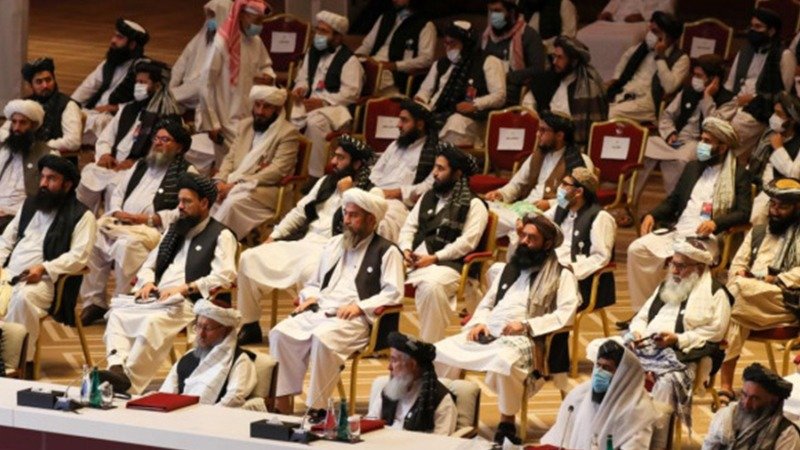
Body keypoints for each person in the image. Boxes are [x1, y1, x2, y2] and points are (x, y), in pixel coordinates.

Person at [435, 213, 579, 444]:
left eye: (532, 238)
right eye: (523, 236)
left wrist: (526, 325)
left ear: (547, 244)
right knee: (439, 351)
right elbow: (488, 303)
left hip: (528, 336)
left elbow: (565, 314)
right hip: (489, 330)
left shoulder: (562, 275)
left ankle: (507, 422)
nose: (524, 242)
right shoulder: (509, 269)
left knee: (505, 361)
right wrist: (480, 322)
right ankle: (445, 409)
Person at [269, 188, 404, 416]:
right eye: (345, 214)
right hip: (320, 310)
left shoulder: (387, 251)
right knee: (280, 333)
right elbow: (314, 283)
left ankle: (317, 408)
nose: (346, 221)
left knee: (323, 339)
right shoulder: (333, 244)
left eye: (354, 215)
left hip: (355, 320)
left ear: (371, 220)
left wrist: (360, 307)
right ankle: (281, 405)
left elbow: (394, 293)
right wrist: (309, 296)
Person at [99, 173, 237, 394]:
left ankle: (128, 385)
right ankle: (117, 366)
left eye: (187, 201)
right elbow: (149, 265)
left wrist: (186, 288)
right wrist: (147, 282)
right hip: (157, 297)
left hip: (188, 302)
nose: (180, 207)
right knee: (116, 315)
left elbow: (225, 275)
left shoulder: (221, 235)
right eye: (179, 201)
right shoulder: (174, 230)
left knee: (152, 323)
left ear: (204, 203)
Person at [235, 134, 376, 345]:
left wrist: (348, 193)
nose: (333, 162)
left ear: (356, 164)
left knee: (309, 273)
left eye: (341, 158)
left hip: (333, 250)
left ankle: (303, 333)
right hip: (304, 241)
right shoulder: (325, 182)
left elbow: (359, 229)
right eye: (334, 156)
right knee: (249, 257)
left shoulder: (370, 192)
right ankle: (250, 323)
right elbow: (299, 212)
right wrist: (273, 236)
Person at [626, 117, 752, 314]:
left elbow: (744, 213)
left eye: (707, 141)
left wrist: (716, 223)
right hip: (678, 231)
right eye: (701, 139)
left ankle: (674, 314)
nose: (701, 145)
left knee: (684, 258)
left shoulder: (739, 174)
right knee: (637, 249)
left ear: (722, 147)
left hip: (707, 238)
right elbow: (673, 201)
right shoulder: (693, 167)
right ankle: (644, 311)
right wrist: (652, 215)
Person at [78, 120, 196, 326]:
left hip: (156, 232)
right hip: (123, 224)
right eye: (156, 138)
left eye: (165, 140)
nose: (158, 143)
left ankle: (122, 303)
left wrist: (150, 219)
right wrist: (117, 211)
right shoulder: (142, 165)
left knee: (127, 246)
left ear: (179, 147)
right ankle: (94, 302)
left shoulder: (187, 172)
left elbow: (187, 209)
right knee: (92, 237)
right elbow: (118, 191)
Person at [623, 237, 731, 449]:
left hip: (684, 355)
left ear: (699, 268)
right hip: (645, 346)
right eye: (673, 263)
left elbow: (715, 333)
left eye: (681, 266)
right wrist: (637, 333)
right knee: (607, 358)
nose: (674, 271)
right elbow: (642, 317)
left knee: (667, 382)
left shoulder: (716, 293)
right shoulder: (666, 286)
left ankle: (655, 444)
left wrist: (677, 339)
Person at [0, 155, 96, 363]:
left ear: (67, 185)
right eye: (42, 177)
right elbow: (6, 240)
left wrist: (44, 268)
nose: (43, 183)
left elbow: (79, 256)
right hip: (9, 274)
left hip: (46, 282)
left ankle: (16, 363)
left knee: (22, 298)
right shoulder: (30, 205)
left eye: (51, 179)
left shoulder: (82, 216)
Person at [719, 178, 800, 407]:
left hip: (784, 301)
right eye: (772, 204)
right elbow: (737, 264)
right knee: (738, 307)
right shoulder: (758, 232)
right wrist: (740, 273)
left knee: (734, 296)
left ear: (797, 208)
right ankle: (725, 386)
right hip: (748, 297)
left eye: (782, 207)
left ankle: (710, 361)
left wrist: (774, 279)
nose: (775, 211)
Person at [399, 143, 488, 342]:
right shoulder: (428, 196)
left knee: (431, 287)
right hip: (414, 261)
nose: (434, 173)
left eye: (441, 169)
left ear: (457, 173)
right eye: (435, 167)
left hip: (451, 265)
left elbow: (467, 243)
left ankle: (429, 347)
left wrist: (435, 257)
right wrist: (405, 249)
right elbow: (409, 227)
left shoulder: (474, 205)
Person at [77, 59, 181, 213]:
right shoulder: (128, 109)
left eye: (143, 82)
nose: (138, 86)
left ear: (158, 86)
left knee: (115, 187)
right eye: (137, 82)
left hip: (141, 170)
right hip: (113, 165)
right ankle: (83, 219)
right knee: (88, 176)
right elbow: (106, 137)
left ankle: (110, 224)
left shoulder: (168, 117)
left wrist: (136, 164)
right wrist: (105, 154)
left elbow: (164, 153)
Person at [634, 54, 735, 203]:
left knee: (680, 160)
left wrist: (707, 98)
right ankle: (630, 200)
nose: (695, 79)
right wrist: (670, 133)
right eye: (694, 74)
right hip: (677, 139)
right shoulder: (687, 91)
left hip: (702, 145)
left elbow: (715, 126)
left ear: (714, 79)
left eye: (699, 76)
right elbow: (667, 116)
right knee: (645, 148)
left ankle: (675, 203)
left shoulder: (729, 100)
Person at [485, 111, 592, 243]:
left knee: (488, 217)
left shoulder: (580, 162)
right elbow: (517, 184)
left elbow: (580, 198)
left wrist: (549, 203)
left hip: (549, 216)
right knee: (483, 207)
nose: (537, 134)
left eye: (543, 130)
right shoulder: (537, 156)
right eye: (538, 129)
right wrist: (501, 194)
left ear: (559, 135)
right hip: (523, 208)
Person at [210, 85, 300, 240]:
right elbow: (230, 158)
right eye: (257, 105)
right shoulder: (245, 126)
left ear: (277, 109)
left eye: (267, 107)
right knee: (208, 194)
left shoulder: (288, 133)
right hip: (234, 184)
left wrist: (237, 184)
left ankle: (213, 244)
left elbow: (278, 170)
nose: (260, 111)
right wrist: (220, 181)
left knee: (231, 203)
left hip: (264, 191)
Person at [541, 340, 666, 449]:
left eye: (607, 368)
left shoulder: (637, 413)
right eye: (598, 365)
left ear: (622, 375)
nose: (599, 372)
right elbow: (560, 439)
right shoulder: (580, 396)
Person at [290, 10, 364, 184]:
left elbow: (351, 93)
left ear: (337, 37)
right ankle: (291, 169)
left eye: (323, 32)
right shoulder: (312, 52)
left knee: (314, 123)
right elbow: (303, 78)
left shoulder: (350, 60)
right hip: (310, 104)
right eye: (317, 30)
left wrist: (323, 102)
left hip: (336, 109)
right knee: (286, 117)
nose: (318, 35)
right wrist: (301, 89)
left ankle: (315, 177)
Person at [197, 0, 274, 157]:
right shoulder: (221, 43)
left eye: (261, 21)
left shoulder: (256, 42)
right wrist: (212, 123)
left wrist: (268, 76)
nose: (259, 26)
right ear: (242, 15)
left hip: (251, 114)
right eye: (257, 20)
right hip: (225, 119)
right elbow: (205, 84)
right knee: (234, 161)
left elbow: (266, 65)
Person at [414, 20, 506, 147]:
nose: (448, 48)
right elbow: (425, 90)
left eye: (453, 43)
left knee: (455, 122)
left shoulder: (489, 61)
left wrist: (475, 104)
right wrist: (421, 99)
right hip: (438, 113)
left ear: (466, 44)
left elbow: (500, 96)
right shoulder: (440, 64)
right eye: (446, 43)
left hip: (471, 119)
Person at [722, 8, 796, 164]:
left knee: (726, 137)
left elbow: (782, 96)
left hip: (761, 111)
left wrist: (752, 99)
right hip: (736, 103)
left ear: (771, 31)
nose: (753, 30)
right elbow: (730, 86)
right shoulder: (745, 51)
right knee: (711, 125)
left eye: (758, 27)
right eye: (752, 26)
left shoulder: (784, 56)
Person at [160, 299, 257, 408]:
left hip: (213, 416)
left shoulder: (240, 361)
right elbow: (165, 393)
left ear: (226, 330)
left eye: (208, 328)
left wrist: (203, 415)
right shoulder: (189, 357)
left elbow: (233, 399)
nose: (201, 334)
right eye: (198, 326)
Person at [546, 168, 616, 312]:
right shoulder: (561, 207)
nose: (560, 188)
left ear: (578, 192)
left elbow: (600, 257)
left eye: (565, 184)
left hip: (579, 278)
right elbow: (542, 222)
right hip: (552, 266)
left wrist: (572, 269)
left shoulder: (601, 218)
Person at [72, 18, 149, 144]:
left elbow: (144, 103)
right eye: (114, 36)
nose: (113, 41)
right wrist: (69, 106)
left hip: (116, 119)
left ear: (132, 44)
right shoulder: (109, 63)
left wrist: (114, 107)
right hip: (93, 112)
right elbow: (88, 87)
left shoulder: (144, 69)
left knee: (99, 122)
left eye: (119, 38)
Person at [369, 98, 437, 240]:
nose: (398, 125)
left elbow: (429, 186)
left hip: (401, 204)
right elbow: (376, 171)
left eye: (404, 120)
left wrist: (398, 192)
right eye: (399, 120)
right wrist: (377, 190)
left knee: (380, 223)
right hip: (376, 195)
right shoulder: (395, 145)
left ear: (420, 124)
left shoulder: (434, 152)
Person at [522, 36, 608, 146]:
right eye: (554, 56)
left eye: (560, 58)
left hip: (574, 146)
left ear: (573, 61)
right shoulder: (546, 80)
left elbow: (595, 128)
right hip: (544, 141)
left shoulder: (589, 86)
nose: (554, 62)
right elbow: (528, 104)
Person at [366, 332, 457, 435]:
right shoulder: (390, 390)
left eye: (394, 360)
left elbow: (442, 442)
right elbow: (370, 423)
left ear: (413, 365)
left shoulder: (441, 401)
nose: (389, 367)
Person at [606, 11, 689, 123]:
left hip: (648, 102)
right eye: (650, 30)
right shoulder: (643, 48)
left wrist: (660, 57)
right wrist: (616, 78)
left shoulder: (681, 59)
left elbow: (670, 87)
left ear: (668, 37)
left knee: (607, 113)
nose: (650, 35)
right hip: (626, 94)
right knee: (593, 106)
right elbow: (625, 59)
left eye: (655, 32)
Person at [704, 363, 800, 449]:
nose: (747, 403)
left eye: (755, 399)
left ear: (773, 401)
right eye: (744, 395)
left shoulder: (787, 436)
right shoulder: (725, 418)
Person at [575, 0, 675, 81]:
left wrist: (644, 16)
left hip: (642, 23)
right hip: (613, 22)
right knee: (582, 35)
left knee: (628, 40)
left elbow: (667, 11)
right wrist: (608, 12)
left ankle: (619, 79)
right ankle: (582, 77)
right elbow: (615, 3)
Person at [354, 0, 436, 96]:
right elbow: (367, 46)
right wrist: (352, 58)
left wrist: (395, 65)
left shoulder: (425, 25)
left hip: (394, 74)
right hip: (372, 64)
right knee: (349, 69)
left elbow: (426, 59)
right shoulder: (385, 17)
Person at [0, 58, 81, 153]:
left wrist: (39, 147)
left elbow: (73, 141)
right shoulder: (25, 104)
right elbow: (3, 132)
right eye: (39, 82)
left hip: (52, 158)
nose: (45, 85)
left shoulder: (67, 105)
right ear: (31, 85)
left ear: (54, 80)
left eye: (48, 80)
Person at [170, 0, 234, 112]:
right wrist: (171, 85)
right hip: (186, 89)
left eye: (213, 16)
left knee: (203, 85)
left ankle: (171, 97)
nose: (210, 20)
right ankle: (171, 96)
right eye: (209, 16)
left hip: (209, 94)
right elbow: (181, 63)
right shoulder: (201, 36)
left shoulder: (231, 44)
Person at [0, 100, 53, 232]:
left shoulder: (47, 155)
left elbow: (48, 196)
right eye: (14, 122)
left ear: (33, 126)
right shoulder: (3, 150)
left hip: (19, 214)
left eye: (23, 123)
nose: (17, 128)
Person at [482, 0, 546, 106]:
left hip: (511, 92)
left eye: (497, 11)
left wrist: (507, 76)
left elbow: (538, 69)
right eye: (491, 11)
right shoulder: (487, 34)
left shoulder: (529, 35)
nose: (493, 15)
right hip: (484, 88)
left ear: (511, 12)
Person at [749, 93, 800, 224]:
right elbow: (758, 164)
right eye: (774, 112)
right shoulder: (769, 134)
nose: (774, 117)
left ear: (792, 119)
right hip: (765, 188)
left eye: (779, 114)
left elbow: (795, 175)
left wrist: (778, 149)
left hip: (789, 194)